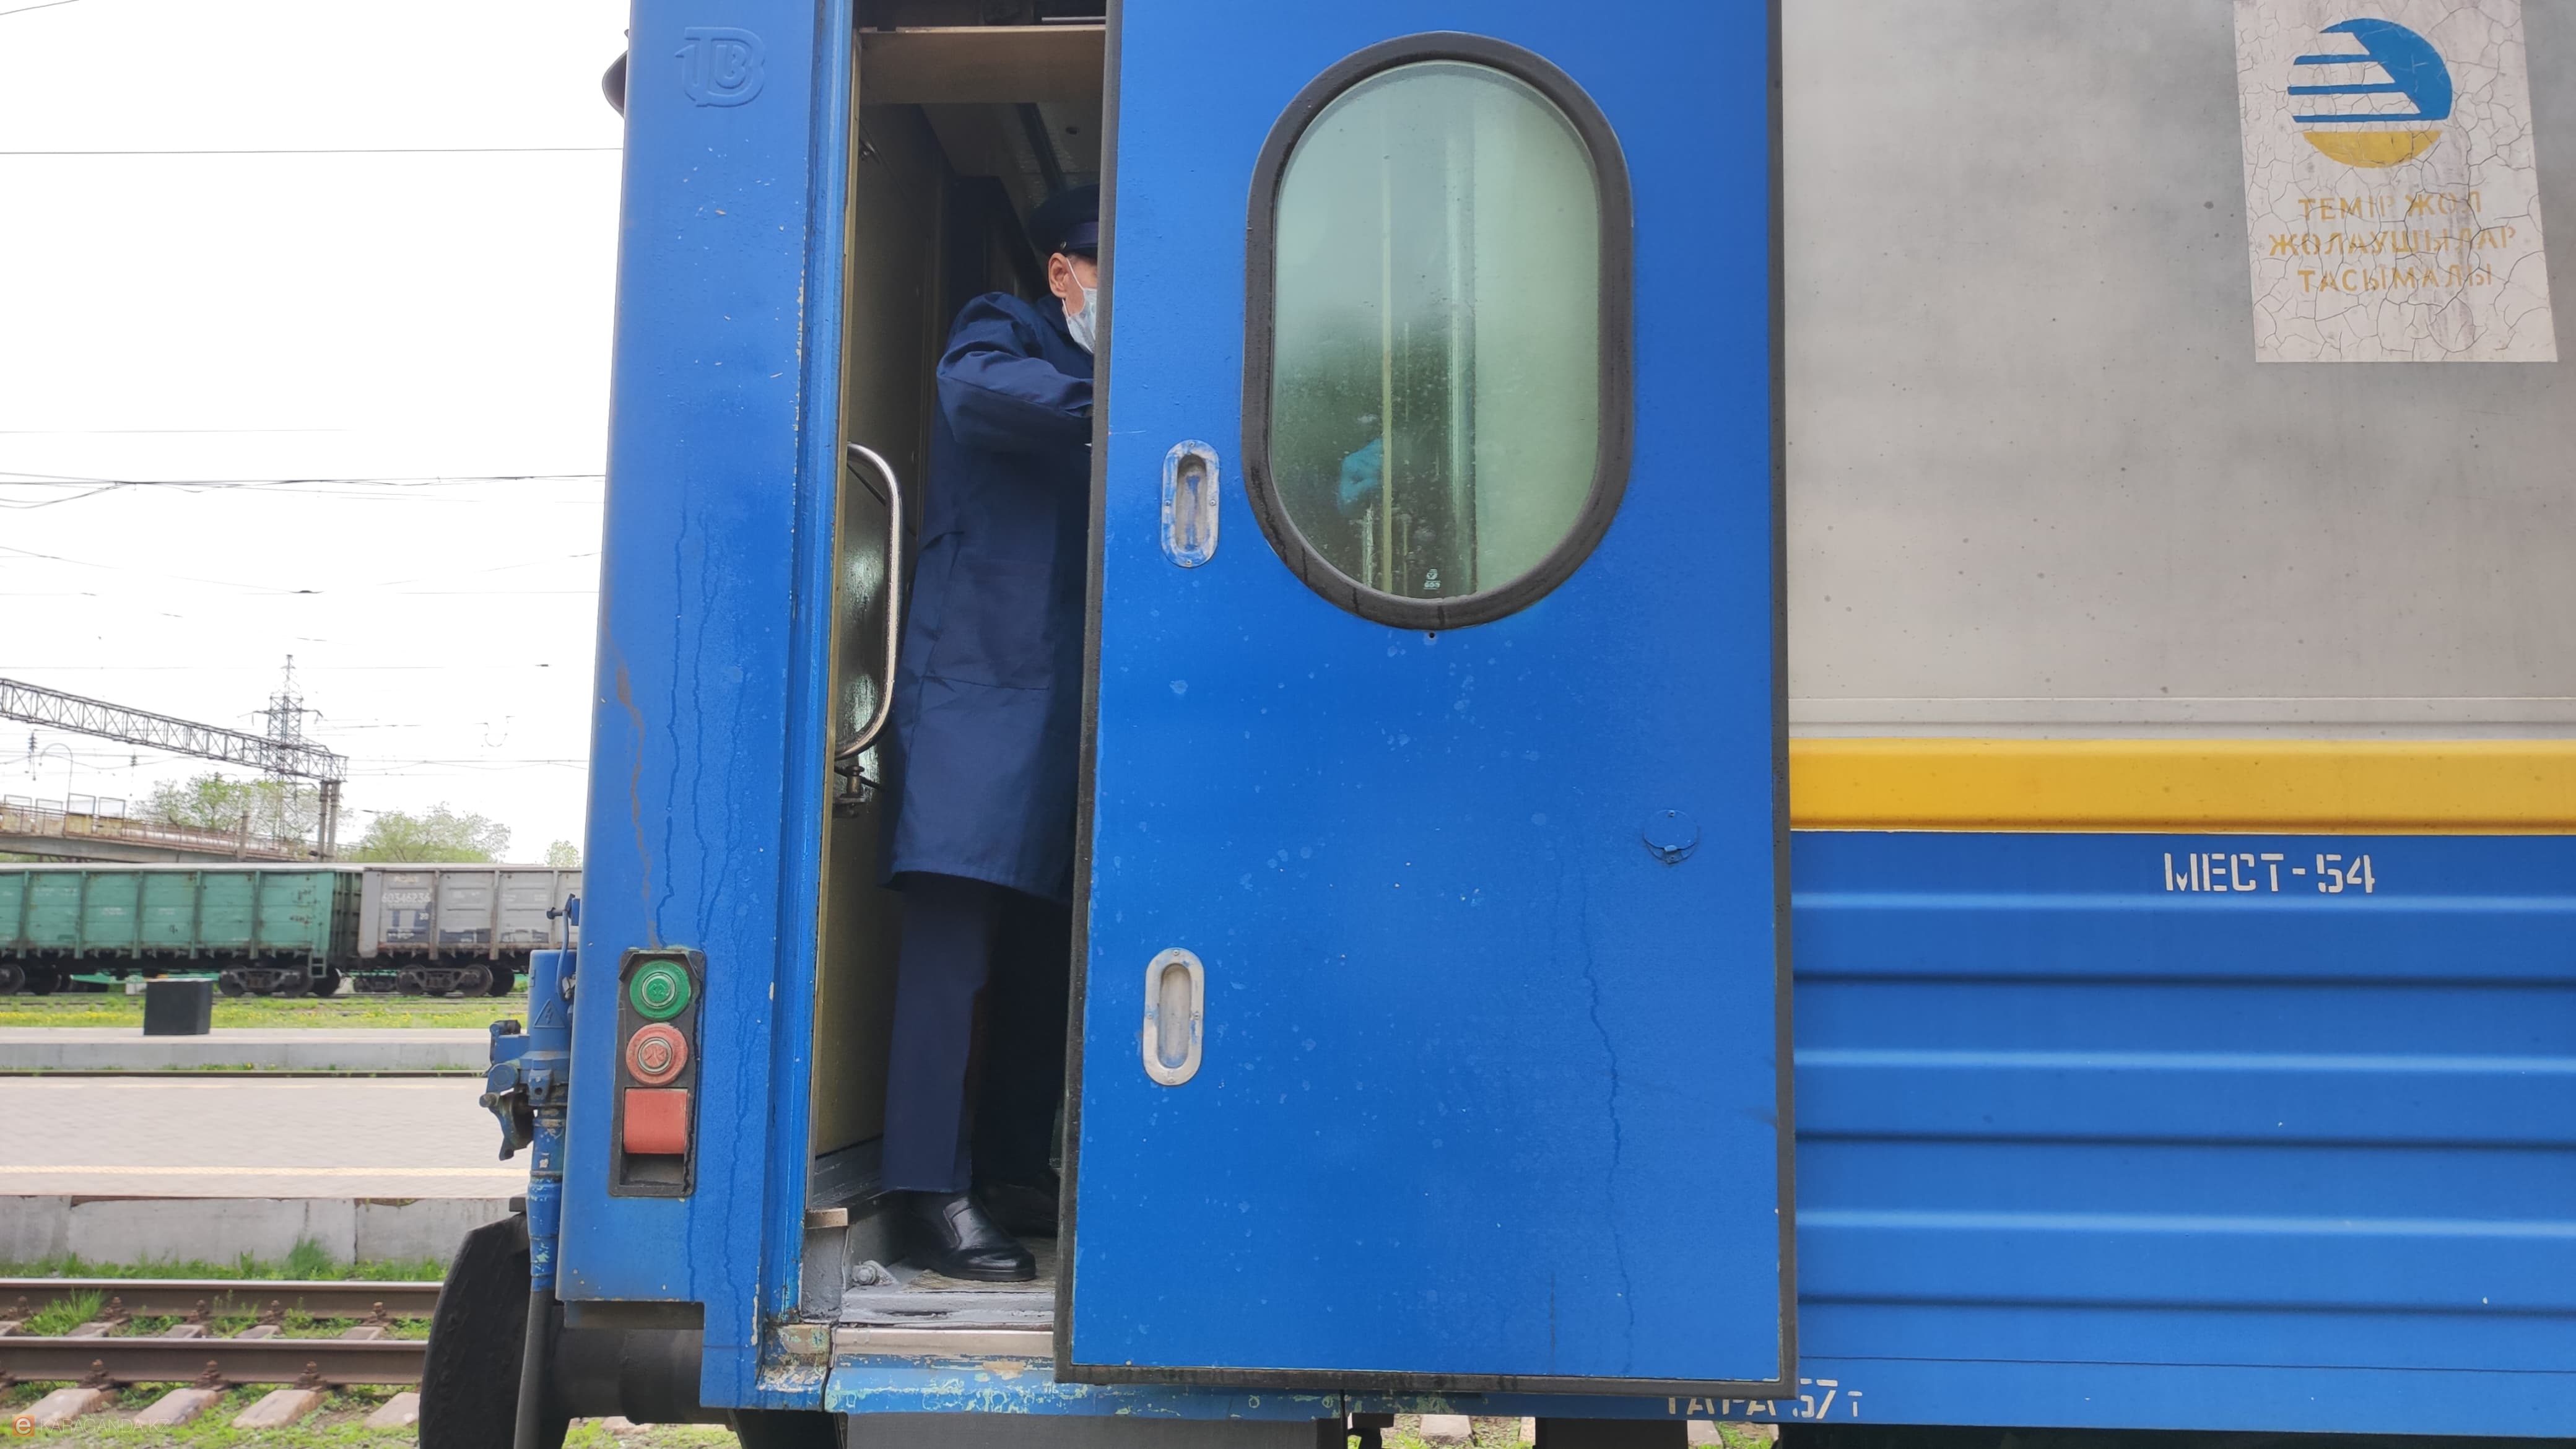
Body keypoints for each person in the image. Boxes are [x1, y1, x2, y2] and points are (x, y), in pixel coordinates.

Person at [876, 185, 1100, 1282]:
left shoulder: (1105, 379)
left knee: (1043, 950)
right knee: (955, 940)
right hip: (977, 685)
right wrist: (1133, 395)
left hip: (1062, 702)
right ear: (1063, 273)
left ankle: (1008, 1169)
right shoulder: (1003, 329)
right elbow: (977, 395)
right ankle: (928, 1190)